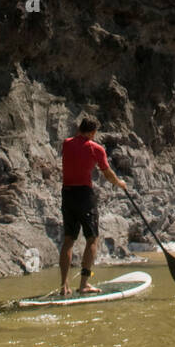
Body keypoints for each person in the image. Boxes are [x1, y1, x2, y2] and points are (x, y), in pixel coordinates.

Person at [59, 118, 125, 296]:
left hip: (67, 194)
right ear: (93, 133)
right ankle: (84, 284)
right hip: (84, 196)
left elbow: (74, 144)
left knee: (68, 240)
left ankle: (64, 286)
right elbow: (108, 173)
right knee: (92, 239)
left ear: (79, 129)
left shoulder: (66, 143)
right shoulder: (96, 149)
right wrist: (120, 183)